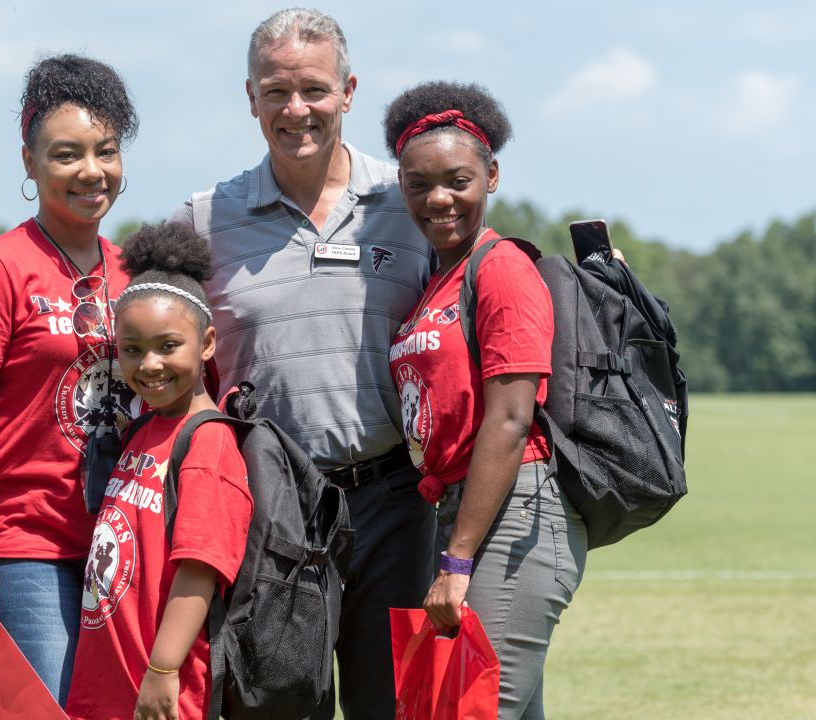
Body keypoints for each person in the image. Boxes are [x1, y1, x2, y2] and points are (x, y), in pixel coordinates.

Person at [171, 9, 435, 719]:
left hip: (397, 506)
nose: (297, 110)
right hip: (271, 512)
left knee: (399, 709)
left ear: (349, 91)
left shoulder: (410, 198)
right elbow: (122, 307)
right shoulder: (203, 220)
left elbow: (490, 279)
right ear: (250, 97)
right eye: (276, 91)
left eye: (314, 90)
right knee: (278, 707)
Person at [0, 53, 139, 706]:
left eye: (105, 152)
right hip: (28, 551)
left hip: (123, 545)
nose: (91, 172)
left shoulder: (135, 269)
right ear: (29, 162)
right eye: (66, 155)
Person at [383, 81, 587, 719]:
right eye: (419, 185)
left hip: (516, 517)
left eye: (457, 179)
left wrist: (457, 557)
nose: (438, 198)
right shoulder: (437, 278)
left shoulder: (500, 269)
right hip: (469, 512)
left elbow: (508, 417)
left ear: (491, 176)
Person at [65, 223, 253, 720]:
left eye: (168, 346)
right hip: (109, 681)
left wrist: (164, 669)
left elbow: (201, 566)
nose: (149, 364)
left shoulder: (208, 440)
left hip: (166, 691)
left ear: (208, 343)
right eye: (132, 349)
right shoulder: (142, 430)